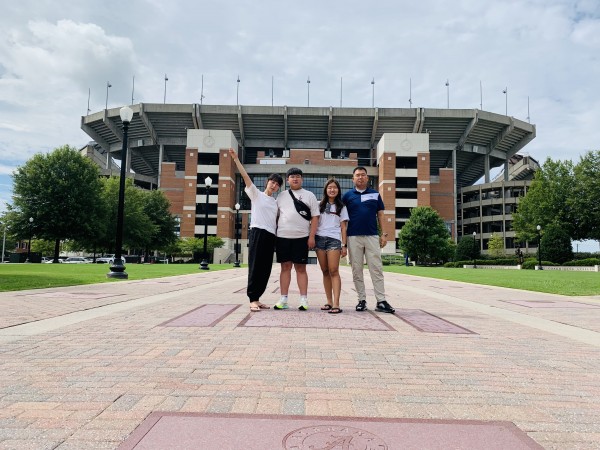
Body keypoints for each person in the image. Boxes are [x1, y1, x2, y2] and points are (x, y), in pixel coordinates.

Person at [229, 148, 283, 312]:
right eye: (272, 182)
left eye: (277, 184)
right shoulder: (257, 194)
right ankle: (252, 298)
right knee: (255, 266)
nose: (274, 185)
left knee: (266, 269)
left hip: (271, 236)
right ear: (267, 182)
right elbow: (245, 177)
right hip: (258, 233)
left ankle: (258, 298)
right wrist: (236, 159)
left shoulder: (276, 203)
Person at [342, 166, 396, 313]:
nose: (360, 177)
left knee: (376, 268)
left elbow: (381, 215)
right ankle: (361, 300)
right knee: (356, 270)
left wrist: (384, 234)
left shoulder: (375, 194)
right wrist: (343, 243)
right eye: (357, 175)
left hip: (372, 236)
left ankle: (381, 301)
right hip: (353, 237)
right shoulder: (347, 196)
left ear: (367, 178)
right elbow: (342, 220)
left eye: (363, 175)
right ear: (353, 179)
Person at [273, 167, 320, 311]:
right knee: (285, 268)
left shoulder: (309, 195)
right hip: (282, 237)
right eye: (292, 176)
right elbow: (275, 216)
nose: (295, 179)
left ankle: (303, 300)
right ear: (287, 180)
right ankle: (283, 299)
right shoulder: (281, 196)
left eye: (298, 176)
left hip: (302, 237)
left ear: (302, 179)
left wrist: (311, 237)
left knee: (301, 268)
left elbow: (315, 217)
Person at [315, 178, 348, 314]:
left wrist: (344, 245)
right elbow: (314, 222)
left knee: (334, 270)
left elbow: (343, 227)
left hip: (334, 240)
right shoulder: (319, 205)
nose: (332, 190)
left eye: (334, 187)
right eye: (329, 187)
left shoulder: (342, 207)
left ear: (338, 190)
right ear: (325, 190)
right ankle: (329, 301)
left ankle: (336, 303)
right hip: (319, 239)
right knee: (324, 271)